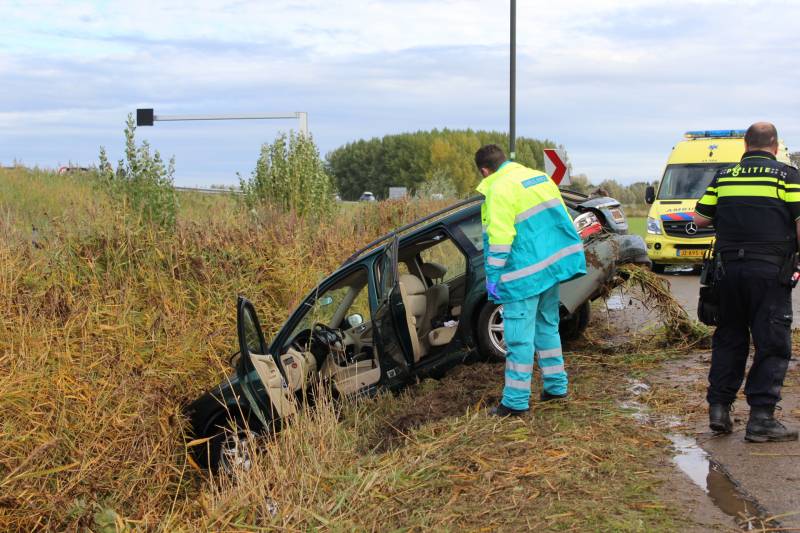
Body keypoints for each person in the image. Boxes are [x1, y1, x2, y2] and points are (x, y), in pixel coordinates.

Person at [694, 122, 800, 442]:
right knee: (771, 343)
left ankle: (719, 410)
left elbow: (699, 218)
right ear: (776, 145)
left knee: (729, 339)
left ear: (745, 145)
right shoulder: (787, 176)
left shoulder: (725, 176)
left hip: (727, 273)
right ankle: (761, 419)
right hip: (769, 272)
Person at [475, 144, 586, 417]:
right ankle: (556, 387)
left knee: (519, 339)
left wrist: (493, 276)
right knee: (547, 326)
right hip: (549, 269)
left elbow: (499, 238)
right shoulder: (538, 178)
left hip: (522, 275)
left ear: (484, 171)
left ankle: (514, 402)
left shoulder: (498, 189)